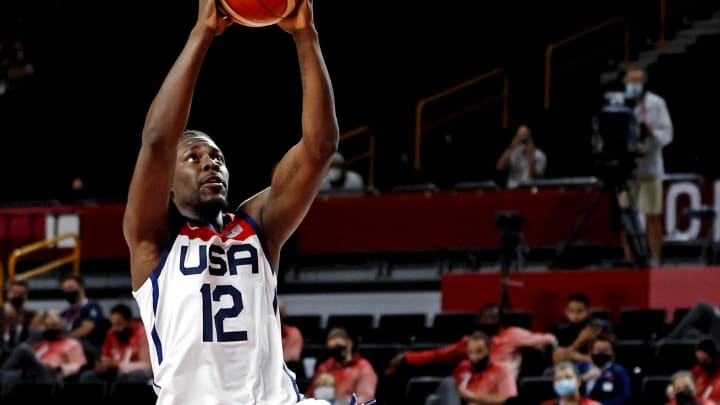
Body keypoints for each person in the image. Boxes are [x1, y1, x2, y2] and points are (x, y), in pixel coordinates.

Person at [122, 0, 340, 403]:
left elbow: (320, 148)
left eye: (217, 157)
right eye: (193, 157)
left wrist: (305, 36)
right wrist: (202, 32)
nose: (210, 163)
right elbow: (156, 142)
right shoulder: (152, 240)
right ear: (166, 183)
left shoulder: (258, 225)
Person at [619, 67, 673, 268]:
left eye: (636, 82)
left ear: (643, 83)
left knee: (652, 216)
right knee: (625, 215)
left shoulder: (656, 103)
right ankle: (629, 258)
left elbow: (668, 135)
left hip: (650, 168)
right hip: (628, 170)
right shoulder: (621, 104)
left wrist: (650, 131)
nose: (631, 86)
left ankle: (655, 258)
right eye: (629, 82)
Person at [0, 311, 87, 396]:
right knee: (10, 376)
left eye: (54, 326)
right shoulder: (40, 345)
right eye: (48, 327)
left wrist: (59, 368)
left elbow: (79, 365)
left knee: (24, 348)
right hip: (31, 376)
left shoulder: (71, 343)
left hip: (51, 377)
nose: (51, 329)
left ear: (61, 327)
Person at [424, 331, 517, 405]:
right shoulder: (463, 366)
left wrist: (471, 397)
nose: (474, 357)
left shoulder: (502, 370)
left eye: (479, 351)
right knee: (437, 395)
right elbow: (449, 394)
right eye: (471, 352)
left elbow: (508, 400)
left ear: (489, 349)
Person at [78, 303, 152, 386]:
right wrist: (102, 365)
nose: (114, 329)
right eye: (112, 324)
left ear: (129, 322)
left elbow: (146, 366)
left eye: (119, 324)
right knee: (87, 376)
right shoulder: (111, 333)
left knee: (139, 376)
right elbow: (104, 358)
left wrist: (117, 365)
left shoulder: (142, 333)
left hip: (130, 374)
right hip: (113, 374)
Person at [305, 327, 378, 405]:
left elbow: (366, 399)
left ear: (349, 344)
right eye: (331, 348)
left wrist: (344, 402)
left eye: (337, 345)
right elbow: (310, 395)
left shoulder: (363, 368)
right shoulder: (325, 367)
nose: (335, 350)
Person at [580, 334, 632, 405]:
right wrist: (584, 377)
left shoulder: (619, 371)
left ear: (612, 352)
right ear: (591, 351)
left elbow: (624, 397)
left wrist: (601, 404)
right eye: (598, 350)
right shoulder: (581, 367)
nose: (601, 353)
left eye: (605, 350)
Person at [495, 124, 547, 189]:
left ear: (530, 138)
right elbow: (499, 167)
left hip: (529, 189)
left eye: (525, 136)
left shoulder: (540, 155)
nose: (522, 139)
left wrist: (531, 156)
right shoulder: (513, 152)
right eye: (519, 136)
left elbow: (533, 176)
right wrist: (511, 148)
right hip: (512, 189)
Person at [3, 280, 39, 349]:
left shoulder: (33, 316)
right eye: (15, 293)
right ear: (8, 294)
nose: (17, 296)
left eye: (21, 294)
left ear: (26, 296)